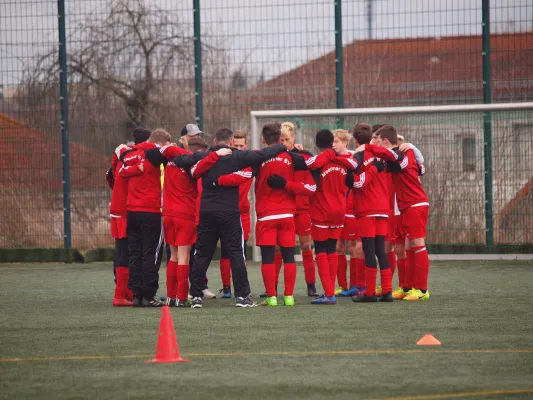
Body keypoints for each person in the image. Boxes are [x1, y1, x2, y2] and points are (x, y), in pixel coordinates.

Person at [173, 128, 287, 308]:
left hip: (207, 212)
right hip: (229, 212)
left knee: (202, 254)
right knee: (236, 253)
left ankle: (196, 295)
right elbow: (264, 154)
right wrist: (283, 146)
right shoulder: (237, 157)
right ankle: (242, 297)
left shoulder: (205, 156)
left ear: (214, 140)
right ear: (232, 141)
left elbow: (180, 160)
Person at [360, 125, 430, 301]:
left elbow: (404, 163)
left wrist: (367, 146)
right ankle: (407, 286)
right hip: (406, 205)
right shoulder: (394, 157)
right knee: (407, 247)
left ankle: (422, 289)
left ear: (384, 141)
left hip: (415, 203)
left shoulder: (404, 153)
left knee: (418, 245)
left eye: (377, 141)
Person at [253, 123, 316, 307]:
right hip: (287, 214)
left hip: (266, 215)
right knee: (289, 255)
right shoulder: (291, 157)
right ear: (280, 140)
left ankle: (272, 297)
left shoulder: (257, 158)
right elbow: (312, 164)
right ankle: (289, 297)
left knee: (268, 257)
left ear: (263, 140)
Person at [119, 129, 171, 307]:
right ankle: (149, 295)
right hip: (150, 211)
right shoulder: (153, 155)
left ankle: (137, 295)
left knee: (135, 253)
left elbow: (121, 168)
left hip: (132, 212)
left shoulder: (131, 154)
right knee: (152, 254)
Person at [305, 130, 352, 305]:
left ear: (317, 144)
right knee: (332, 250)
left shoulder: (317, 163)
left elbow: (309, 185)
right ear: (332, 142)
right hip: (340, 211)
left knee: (321, 251)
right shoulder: (343, 163)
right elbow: (354, 181)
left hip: (322, 212)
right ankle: (330, 291)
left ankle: (329, 294)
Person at [348, 124, 393, 303]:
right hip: (383, 209)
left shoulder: (357, 158)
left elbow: (357, 183)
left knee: (369, 251)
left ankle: (370, 293)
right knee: (380, 250)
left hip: (367, 209)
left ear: (356, 140)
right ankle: (388, 291)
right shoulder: (381, 155)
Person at [107, 127, 151, 306]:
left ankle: (128, 291)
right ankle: (120, 295)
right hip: (125, 211)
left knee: (123, 250)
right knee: (126, 252)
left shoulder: (123, 157)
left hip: (119, 210)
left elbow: (110, 176)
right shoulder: (134, 158)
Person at [276, 122, 319, 297]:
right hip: (284, 209)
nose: (285, 142)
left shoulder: (304, 156)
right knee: (279, 248)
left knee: (306, 246)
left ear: (294, 137)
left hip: (302, 209)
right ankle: (273, 287)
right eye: (282, 139)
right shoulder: (276, 157)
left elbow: (312, 180)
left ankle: (311, 285)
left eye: (287, 139)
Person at [217, 130, 253, 298]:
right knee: (225, 251)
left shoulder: (250, 161)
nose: (238, 148)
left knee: (241, 250)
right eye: (236, 145)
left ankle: (241, 287)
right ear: (231, 144)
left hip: (243, 211)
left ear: (246, 145)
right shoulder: (225, 161)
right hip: (226, 209)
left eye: (241, 145)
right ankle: (226, 288)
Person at [332, 129, 359, 294]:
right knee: (338, 246)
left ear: (344, 143)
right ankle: (342, 285)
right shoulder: (331, 158)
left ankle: (356, 285)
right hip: (336, 209)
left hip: (351, 209)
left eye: (336, 142)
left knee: (353, 247)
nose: (333, 145)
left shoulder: (354, 158)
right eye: (332, 142)